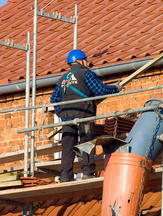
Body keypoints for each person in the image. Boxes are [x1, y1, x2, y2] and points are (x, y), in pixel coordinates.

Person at [50, 49, 120, 182]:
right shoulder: (85, 73)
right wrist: (115, 88)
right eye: (85, 59)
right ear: (79, 61)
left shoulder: (62, 80)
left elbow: (54, 99)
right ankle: (87, 172)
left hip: (67, 117)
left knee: (68, 145)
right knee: (86, 141)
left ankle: (66, 176)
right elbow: (100, 90)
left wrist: (62, 113)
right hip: (84, 113)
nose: (87, 62)